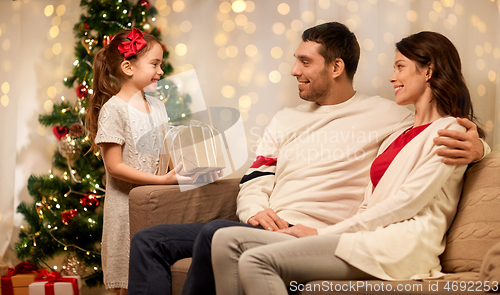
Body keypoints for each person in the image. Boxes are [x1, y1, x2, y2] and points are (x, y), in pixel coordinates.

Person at [127, 23, 488, 295]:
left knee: (214, 234)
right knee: (148, 239)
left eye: (304, 61)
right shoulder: (287, 118)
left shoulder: (388, 115)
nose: (294, 71)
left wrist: (479, 149)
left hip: (312, 227)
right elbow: (256, 177)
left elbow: (439, 140)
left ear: (335, 67)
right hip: (263, 222)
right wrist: (253, 210)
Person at [85, 28, 200, 294]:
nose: (160, 71)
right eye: (155, 64)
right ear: (127, 66)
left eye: (161, 64)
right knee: (130, 279)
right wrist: (162, 180)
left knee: (155, 273)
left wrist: (186, 168)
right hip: (126, 208)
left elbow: (166, 149)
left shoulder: (158, 106)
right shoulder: (114, 110)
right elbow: (115, 167)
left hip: (157, 203)